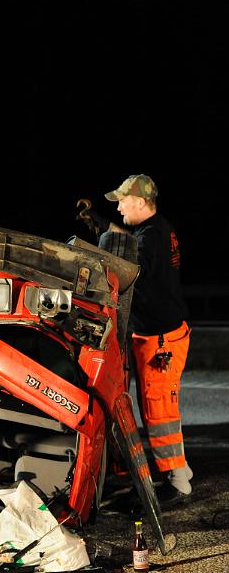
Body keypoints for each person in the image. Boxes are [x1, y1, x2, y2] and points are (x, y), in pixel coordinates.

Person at [95, 174, 193, 508]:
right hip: (158, 334)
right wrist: (101, 224)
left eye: (123, 200)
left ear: (140, 202)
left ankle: (178, 483)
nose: (119, 205)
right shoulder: (156, 230)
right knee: (158, 406)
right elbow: (131, 240)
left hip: (160, 340)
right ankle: (180, 470)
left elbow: (130, 269)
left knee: (160, 410)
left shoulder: (150, 238)